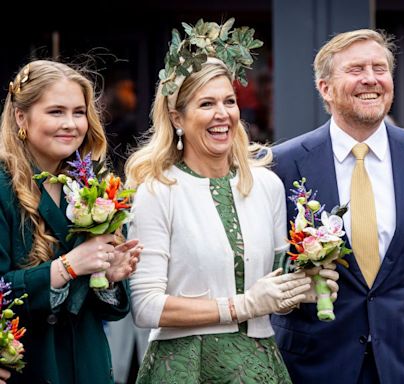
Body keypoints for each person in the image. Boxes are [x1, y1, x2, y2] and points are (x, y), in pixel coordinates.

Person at [125, 19, 323, 383]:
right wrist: (241, 305)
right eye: (206, 103)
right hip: (184, 366)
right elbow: (146, 306)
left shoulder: (266, 185)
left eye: (229, 101)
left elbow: (274, 285)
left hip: (259, 361)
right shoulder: (157, 190)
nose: (223, 114)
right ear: (176, 118)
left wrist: (303, 289)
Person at [270, 29, 404, 383]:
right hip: (315, 363)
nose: (371, 79)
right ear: (325, 87)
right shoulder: (281, 165)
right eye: (356, 69)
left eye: (380, 68)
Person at [0, 60, 142, 383]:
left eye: (79, 112)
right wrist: (66, 267)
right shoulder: (2, 186)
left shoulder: (87, 187)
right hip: (32, 367)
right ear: (21, 117)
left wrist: (108, 276)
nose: (71, 124)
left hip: (88, 366)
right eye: (56, 112)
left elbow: (109, 311)